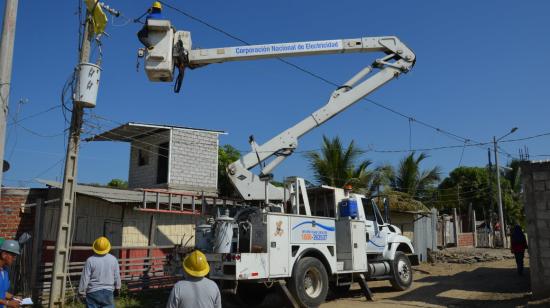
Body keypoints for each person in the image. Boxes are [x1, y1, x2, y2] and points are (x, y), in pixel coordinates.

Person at [78, 237, 121, 308]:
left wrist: (81, 292)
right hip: (108, 292)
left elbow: (85, 277)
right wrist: (118, 287)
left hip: (92, 292)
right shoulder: (113, 259)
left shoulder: (90, 260)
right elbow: (117, 276)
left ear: (95, 248)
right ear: (108, 247)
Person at [0, 240, 21, 308]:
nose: (14, 259)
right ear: (4, 254)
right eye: (13, 255)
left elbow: (2, 292)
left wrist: (13, 297)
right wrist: (8, 303)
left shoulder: (5, 271)